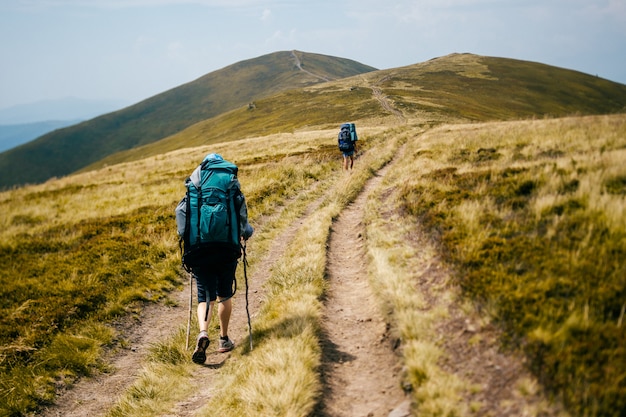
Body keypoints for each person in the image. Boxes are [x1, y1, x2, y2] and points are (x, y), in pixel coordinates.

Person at [177, 153, 253, 364]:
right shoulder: (231, 184)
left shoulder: (194, 185)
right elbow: (243, 219)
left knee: (205, 297)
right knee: (224, 295)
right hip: (226, 248)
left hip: (199, 250)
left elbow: (182, 221)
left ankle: (203, 332)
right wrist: (246, 232)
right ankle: (223, 339)